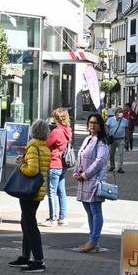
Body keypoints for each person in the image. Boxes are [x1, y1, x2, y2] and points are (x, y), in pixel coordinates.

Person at [9, 119, 51, 273]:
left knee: (30, 224)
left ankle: (38, 260)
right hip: (38, 190)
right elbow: (43, 167)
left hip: (29, 191)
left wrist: (22, 165)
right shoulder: (45, 148)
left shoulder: (33, 147)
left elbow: (32, 170)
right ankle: (25, 256)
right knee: (26, 222)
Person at [74, 113, 110, 253]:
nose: (92, 125)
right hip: (84, 181)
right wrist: (76, 171)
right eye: (90, 122)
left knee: (95, 211)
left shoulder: (101, 142)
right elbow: (80, 156)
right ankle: (92, 240)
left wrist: (85, 174)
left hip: (94, 181)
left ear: (100, 126)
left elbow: (99, 161)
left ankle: (94, 241)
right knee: (89, 212)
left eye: (95, 123)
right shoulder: (87, 139)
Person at [45, 108, 72, 226]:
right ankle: (63, 217)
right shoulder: (68, 130)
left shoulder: (57, 131)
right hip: (63, 164)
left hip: (55, 163)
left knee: (52, 192)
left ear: (57, 119)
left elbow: (47, 144)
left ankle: (53, 218)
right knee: (62, 191)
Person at [106, 107, 129, 173]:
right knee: (111, 153)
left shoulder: (125, 120)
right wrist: (107, 134)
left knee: (121, 154)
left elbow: (127, 129)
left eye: (122, 112)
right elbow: (106, 127)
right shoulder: (110, 119)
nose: (121, 114)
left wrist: (127, 138)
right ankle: (112, 166)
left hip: (121, 139)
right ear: (115, 113)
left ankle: (120, 167)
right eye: (119, 112)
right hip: (112, 139)